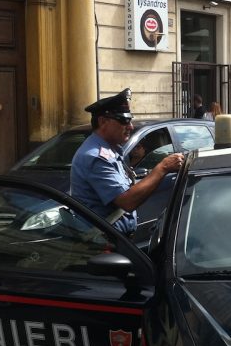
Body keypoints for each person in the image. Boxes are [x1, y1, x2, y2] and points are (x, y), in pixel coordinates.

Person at [70, 88, 183, 235]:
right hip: (103, 245)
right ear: (103, 121)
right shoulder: (95, 157)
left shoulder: (111, 149)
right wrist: (162, 168)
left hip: (114, 240)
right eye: (124, 120)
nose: (130, 127)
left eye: (130, 120)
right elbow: (127, 201)